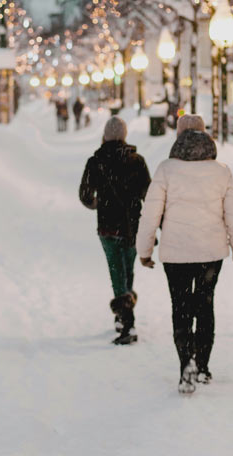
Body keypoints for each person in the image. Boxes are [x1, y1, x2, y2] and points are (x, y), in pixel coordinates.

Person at [136, 114, 233, 394]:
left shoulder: (166, 169)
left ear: (178, 137)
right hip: (210, 253)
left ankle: (186, 363)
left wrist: (145, 250)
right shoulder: (221, 171)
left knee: (181, 309)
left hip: (175, 254)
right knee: (205, 306)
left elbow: (150, 215)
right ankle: (203, 366)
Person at [79, 116, 152, 345]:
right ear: (124, 135)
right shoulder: (137, 161)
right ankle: (125, 309)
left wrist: (98, 204)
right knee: (127, 268)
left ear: (105, 136)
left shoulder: (96, 161)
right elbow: (148, 195)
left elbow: (84, 195)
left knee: (115, 271)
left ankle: (126, 321)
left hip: (108, 226)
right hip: (132, 226)